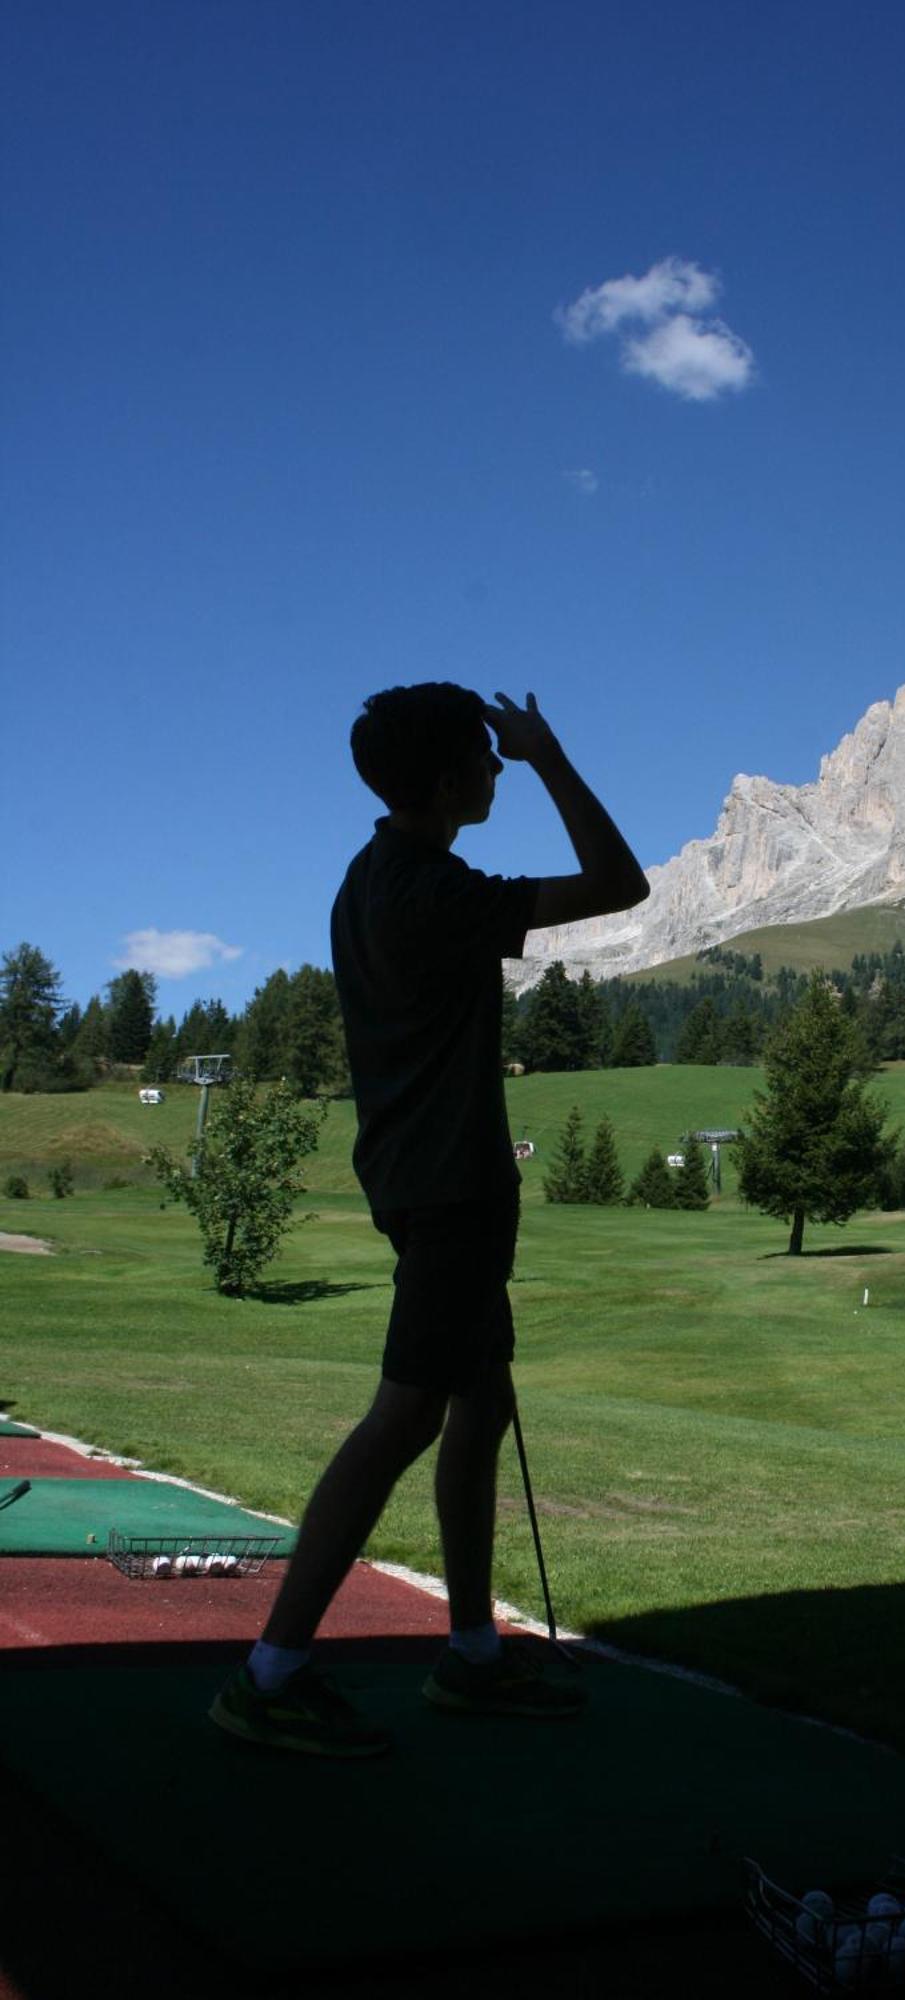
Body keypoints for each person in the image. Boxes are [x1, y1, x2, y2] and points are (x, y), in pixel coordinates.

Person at [209, 684, 648, 1756]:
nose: (497, 773)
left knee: (480, 1402)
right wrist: (548, 754)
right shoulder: (428, 889)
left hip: (426, 1178)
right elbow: (619, 882)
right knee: (404, 1415)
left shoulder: (375, 874)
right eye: (486, 762)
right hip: (448, 1187)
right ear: (449, 780)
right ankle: (272, 1671)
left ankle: (471, 1653)